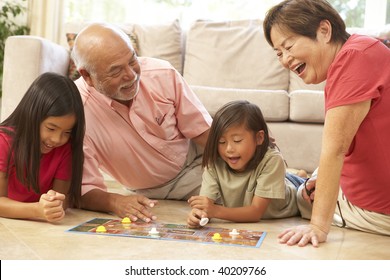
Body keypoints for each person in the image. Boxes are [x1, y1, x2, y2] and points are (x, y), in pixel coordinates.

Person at [263, 0, 390, 247]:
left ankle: (297, 183)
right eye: (279, 53)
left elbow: (335, 149)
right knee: (315, 179)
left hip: (375, 209)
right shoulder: (363, 50)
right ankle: (300, 178)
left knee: (296, 196)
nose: (285, 60)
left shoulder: (354, 59)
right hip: (368, 187)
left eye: (288, 46)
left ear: (324, 31)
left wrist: (318, 226)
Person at [71, 23, 212, 221]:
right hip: (153, 188)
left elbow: (203, 131)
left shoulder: (161, 73)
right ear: (87, 76)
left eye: (132, 60)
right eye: (116, 71)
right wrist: (115, 201)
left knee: (255, 182)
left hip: (199, 153)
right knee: (239, 197)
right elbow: (82, 188)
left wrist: (256, 155)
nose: (131, 75)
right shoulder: (76, 112)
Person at [187, 100, 307, 227]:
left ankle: (299, 177)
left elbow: (255, 212)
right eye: (221, 142)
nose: (228, 149)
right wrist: (199, 214)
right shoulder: (215, 162)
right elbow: (206, 204)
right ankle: (295, 174)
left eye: (237, 140)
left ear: (259, 138)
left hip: (292, 192)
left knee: (306, 189)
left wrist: (215, 210)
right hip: (270, 178)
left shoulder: (272, 160)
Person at [0, 72, 85, 222]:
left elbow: (62, 200)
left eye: (67, 132)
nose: (57, 139)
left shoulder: (65, 148)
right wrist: (37, 209)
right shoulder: (4, 142)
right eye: (51, 128)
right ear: (32, 116)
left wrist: (54, 203)